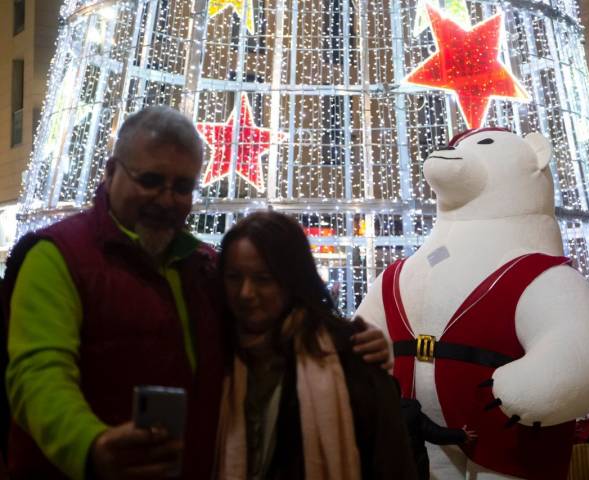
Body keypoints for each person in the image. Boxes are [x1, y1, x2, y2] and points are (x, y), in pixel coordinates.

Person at [3, 106, 391, 480]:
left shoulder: (203, 265)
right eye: (151, 180)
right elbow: (37, 374)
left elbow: (267, 330)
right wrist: (90, 445)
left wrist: (352, 343)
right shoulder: (57, 255)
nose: (167, 199)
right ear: (110, 172)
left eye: (183, 186)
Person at [215, 211, 417, 480]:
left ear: (293, 280)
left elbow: (391, 462)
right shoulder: (212, 348)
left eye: (263, 279)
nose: (246, 293)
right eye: (234, 277)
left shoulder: (349, 353)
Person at [400, 395, 477, 480]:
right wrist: (461, 435)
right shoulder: (408, 411)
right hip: (413, 469)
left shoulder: (383, 414)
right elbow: (436, 433)